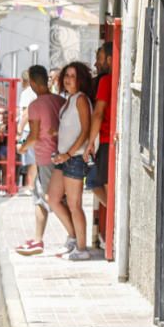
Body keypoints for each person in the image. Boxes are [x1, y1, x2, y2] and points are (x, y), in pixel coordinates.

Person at [14, 65, 66, 256]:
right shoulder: (61, 101)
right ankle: (38, 239)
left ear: (34, 83)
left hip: (45, 157)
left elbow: (34, 136)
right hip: (62, 155)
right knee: (47, 198)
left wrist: (22, 146)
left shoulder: (35, 106)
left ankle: (72, 236)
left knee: (49, 199)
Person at [47, 62, 95, 261]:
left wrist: (68, 154)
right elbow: (72, 127)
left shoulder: (81, 99)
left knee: (75, 204)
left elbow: (85, 131)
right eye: (66, 75)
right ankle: (73, 237)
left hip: (74, 158)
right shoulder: (69, 100)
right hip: (63, 158)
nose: (68, 79)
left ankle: (82, 249)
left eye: (73, 76)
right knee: (53, 198)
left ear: (81, 79)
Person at [84, 42, 114, 207]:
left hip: (104, 141)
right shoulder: (113, 80)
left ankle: (114, 217)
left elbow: (98, 113)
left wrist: (90, 142)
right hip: (108, 140)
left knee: (100, 184)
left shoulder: (106, 81)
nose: (96, 63)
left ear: (109, 59)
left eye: (99, 59)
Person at [17, 69, 37, 191]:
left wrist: (19, 129)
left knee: (31, 159)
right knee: (33, 159)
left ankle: (31, 186)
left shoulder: (26, 93)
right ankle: (32, 185)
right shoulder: (36, 92)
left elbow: (26, 112)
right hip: (34, 128)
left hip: (28, 129)